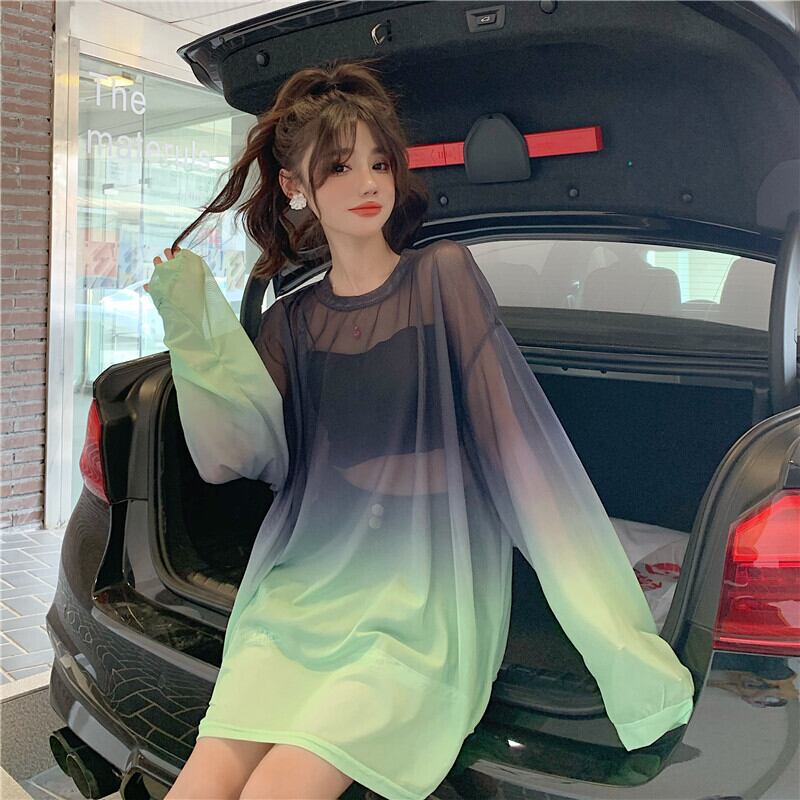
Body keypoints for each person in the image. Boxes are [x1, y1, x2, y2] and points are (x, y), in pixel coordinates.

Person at [146, 58, 695, 800]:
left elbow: (520, 457)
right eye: (340, 167)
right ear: (296, 186)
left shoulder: (442, 276)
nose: (368, 182)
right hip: (302, 592)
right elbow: (232, 456)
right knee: (206, 774)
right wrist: (192, 324)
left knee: (280, 785)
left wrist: (614, 637)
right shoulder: (291, 322)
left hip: (418, 601)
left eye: (379, 162)